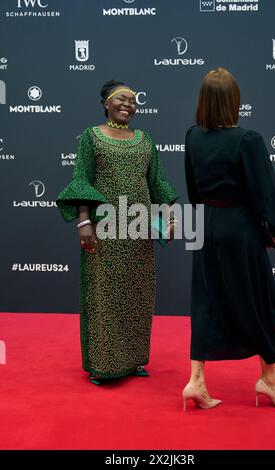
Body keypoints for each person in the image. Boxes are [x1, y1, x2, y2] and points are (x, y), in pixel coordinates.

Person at [183, 68, 275, 410]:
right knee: (258, 300)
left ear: (203, 102)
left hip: (203, 226)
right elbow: (266, 193)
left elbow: (193, 191)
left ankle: (196, 381)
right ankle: (271, 381)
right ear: (235, 102)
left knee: (205, 302)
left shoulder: (192, 137)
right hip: (239, 228)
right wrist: (274, 230)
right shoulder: (248, 140)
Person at [56, 80, 178, 385]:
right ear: (106, 103)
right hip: (104, 228)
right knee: (104, 296)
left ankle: (134, 359)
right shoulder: (91, 137)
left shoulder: (145, 140)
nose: (128, 105)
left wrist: (168, 218)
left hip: (138, 230)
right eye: (122, 99)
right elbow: (82, 179)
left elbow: (157, 183)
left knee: (137, 293)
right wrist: (84, 222)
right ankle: (104, 364)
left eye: (133, 101)